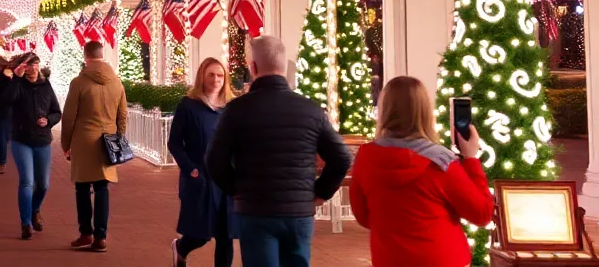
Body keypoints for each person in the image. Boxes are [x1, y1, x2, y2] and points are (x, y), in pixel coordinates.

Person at [206, 36, 352, 267]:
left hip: (256, 210)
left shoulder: (237, 110)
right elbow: (341, 158)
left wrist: (236, 190)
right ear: (284, 67)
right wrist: (320, 193)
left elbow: (214, 160)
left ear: (253, 68)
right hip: (299, 211)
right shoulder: (310, 110)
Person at [349, 76, 493, 267]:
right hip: (442, 259)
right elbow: (482, 214)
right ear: (425, 112)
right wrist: (471, 159)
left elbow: (363, 216)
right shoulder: (440, 163)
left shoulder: (366, 158)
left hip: (389, 259)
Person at [168, 57, 238, 267]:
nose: (216, 79)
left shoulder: (232, 107)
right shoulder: (189, 106)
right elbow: (174, 143)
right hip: (200, 178)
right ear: (202, 77)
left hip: (226, 180)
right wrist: (191, 170)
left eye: (220, 75)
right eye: (211, 75)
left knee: (226, 236)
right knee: (201, 233)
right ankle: (181, 248)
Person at [61, 40, 127, 253]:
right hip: (107, 139)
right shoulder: (116, 82)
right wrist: (118, 138)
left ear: (85, 56)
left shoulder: (79, 82)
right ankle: (101, 237)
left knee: (82, 187)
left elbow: (69, 117)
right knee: (102, 188)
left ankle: (85, 233)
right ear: (102, 55)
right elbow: (122, 115)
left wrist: (65, 142)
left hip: (83, 139)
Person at [3, 52, 62, 240]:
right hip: (22, 139)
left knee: (43, 185)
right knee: (27, 181)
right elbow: (7, 100)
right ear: (23, 67)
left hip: (43, 140)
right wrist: (16, 79)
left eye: (35, 64)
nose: (33, 68)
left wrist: (50, 120)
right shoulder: (17, 84)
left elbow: (56, 111)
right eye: (29, 65)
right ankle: (26, 223)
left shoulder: (46, 85)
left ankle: (35, 209)